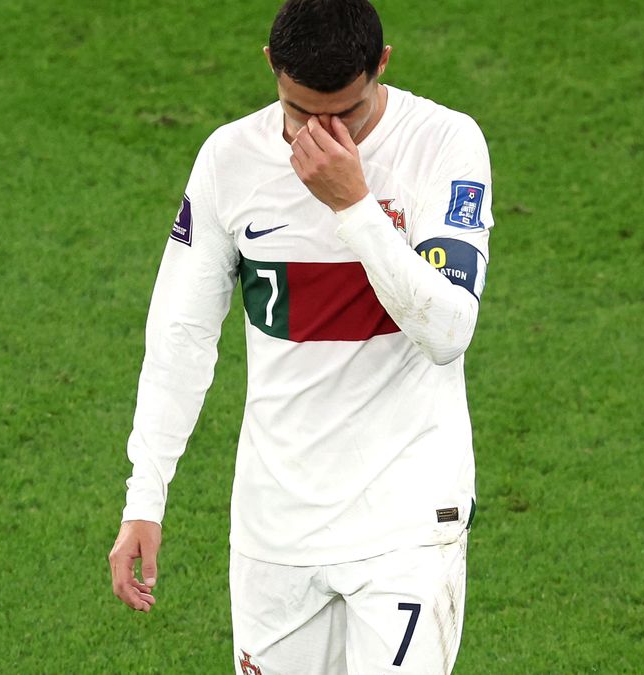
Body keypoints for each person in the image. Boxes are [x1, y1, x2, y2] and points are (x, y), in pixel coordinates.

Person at [108, 0, 494, 671]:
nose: (320, 138)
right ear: (270, 68)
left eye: (345, 114)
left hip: (406, 521)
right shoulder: (230, 159)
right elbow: (181, 334)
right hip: (276, 530)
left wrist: (353, 205)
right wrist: (146, 495)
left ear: (381, 66)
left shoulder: (442, 144)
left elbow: (447, 330)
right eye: (298, 113)